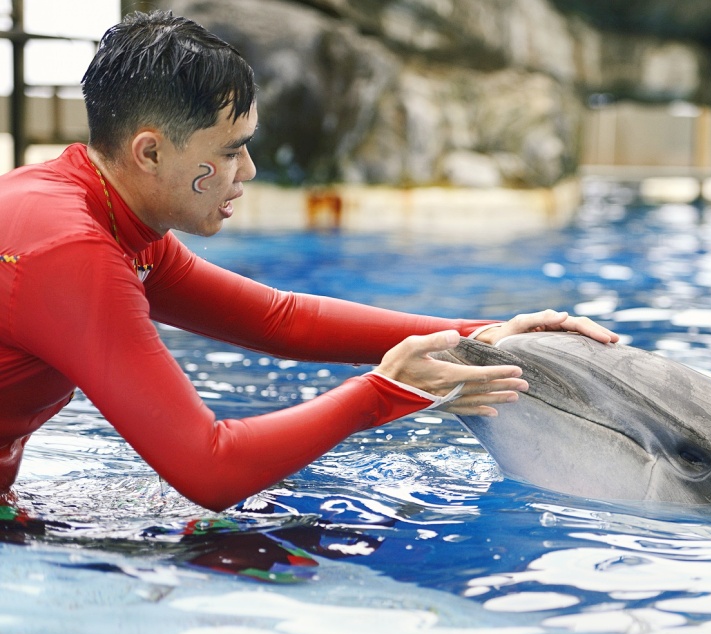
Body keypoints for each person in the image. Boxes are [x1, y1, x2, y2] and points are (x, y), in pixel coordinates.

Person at [0, 11, 617, 512]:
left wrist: (482, 335)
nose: (249, 171)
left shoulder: (107, 215)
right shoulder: (70, 250)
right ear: (151, 152)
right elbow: (210, 470)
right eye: (233, 150)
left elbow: (280, 319)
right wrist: (381, 395)